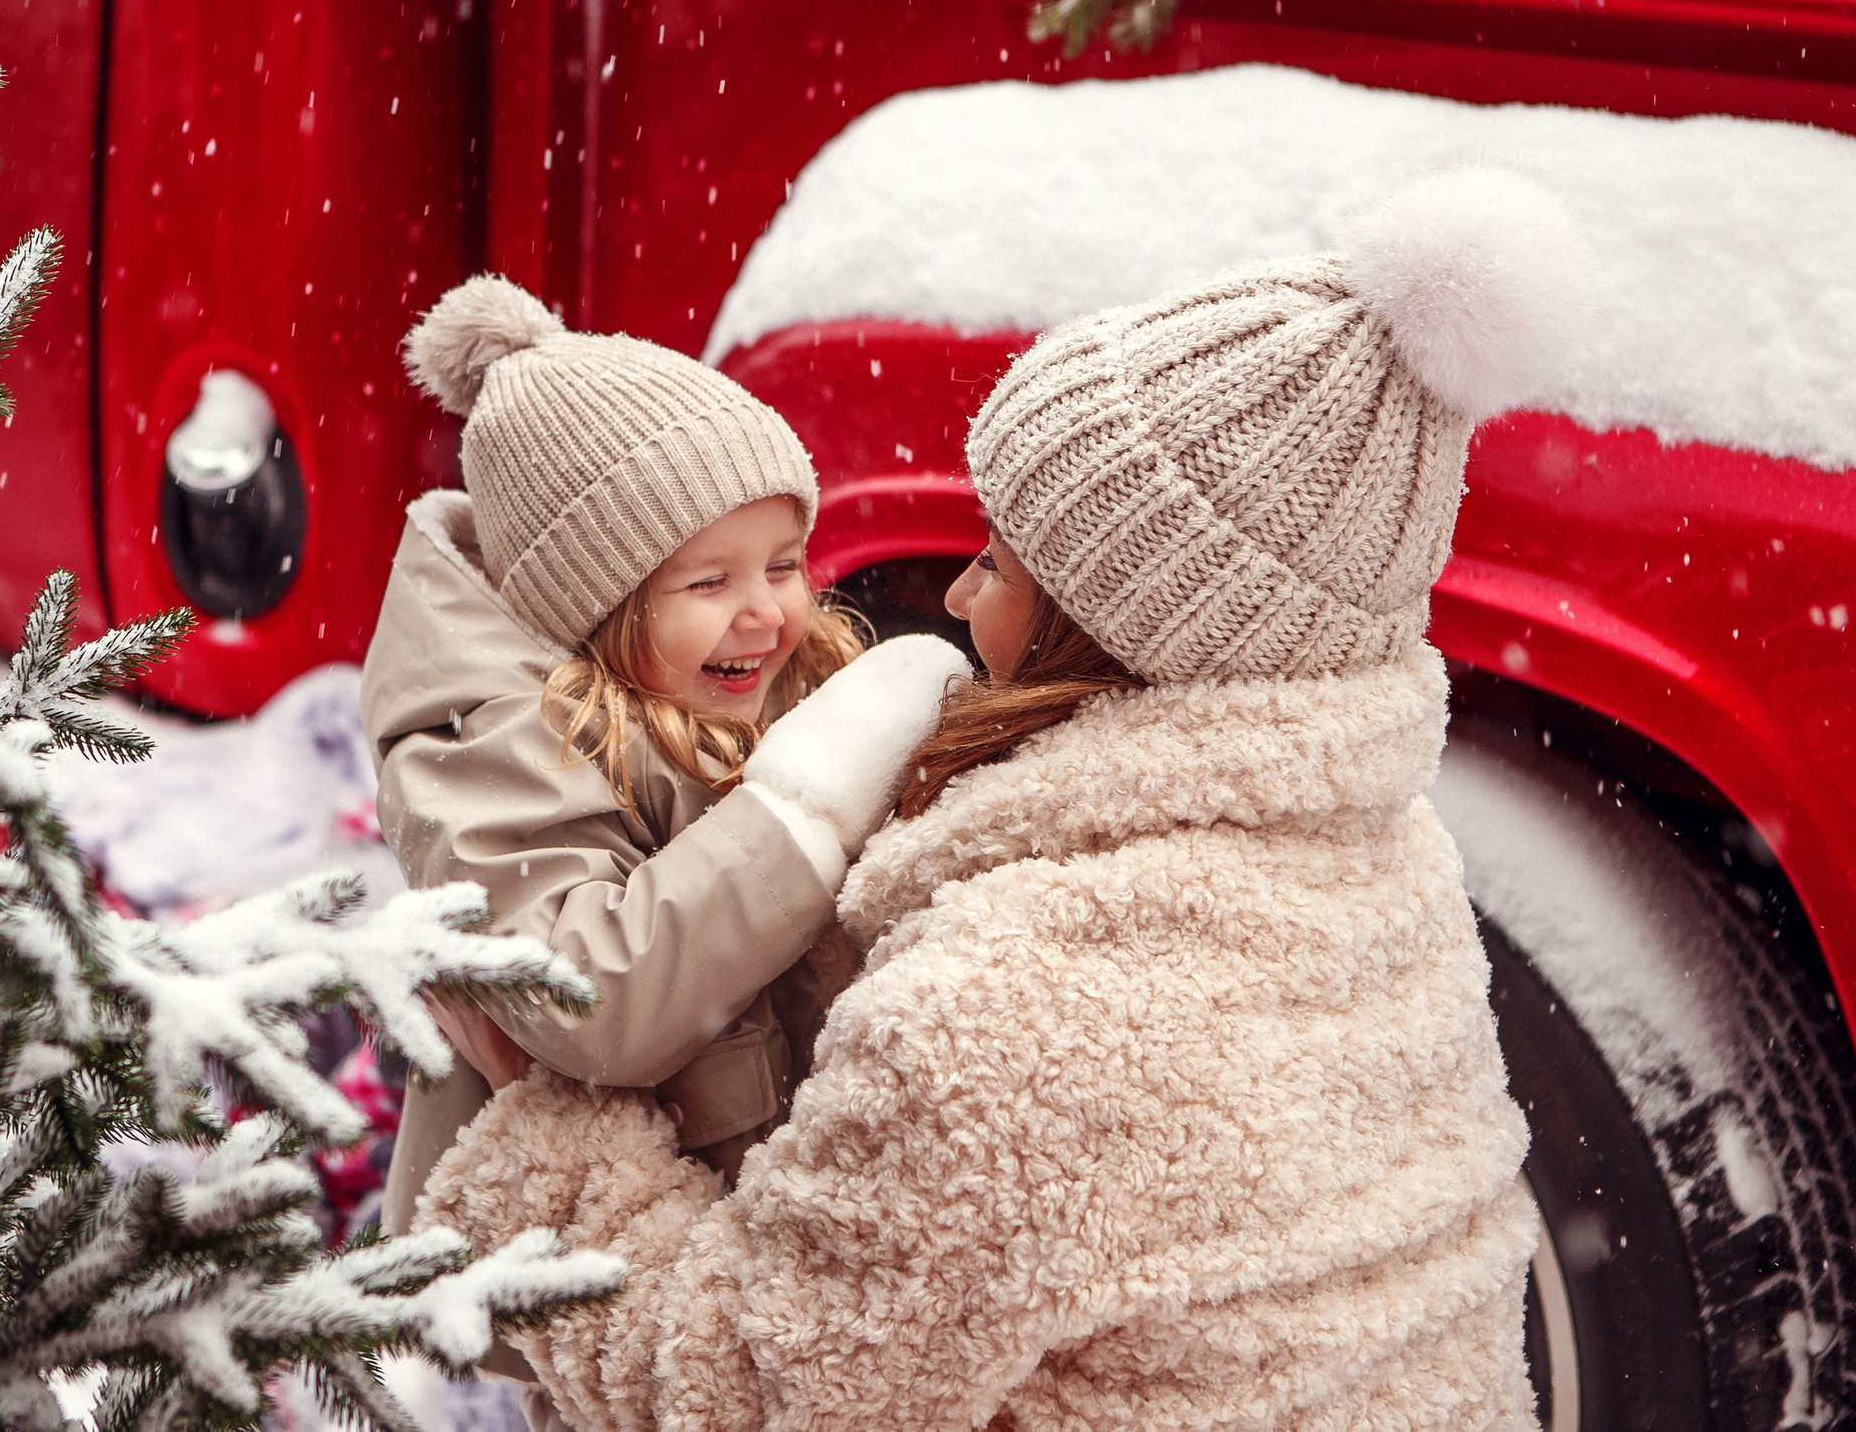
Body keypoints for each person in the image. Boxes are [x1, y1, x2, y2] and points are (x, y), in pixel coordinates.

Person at [418, 170, 1570, 1431]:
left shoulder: (1019, 1011)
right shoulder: (1389, 863)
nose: (959, 604)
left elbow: (746, 1394)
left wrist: (549, 1150)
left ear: (1121, 628)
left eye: (998, 564)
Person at [360, 276, 969, 1422]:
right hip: (602, 1251)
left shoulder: (737, 677)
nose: (767, 613)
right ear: (592, 604)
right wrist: (803, 812)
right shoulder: (487, 748)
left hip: (746, 1227)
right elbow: (594, 1000)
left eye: (784, 561)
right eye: (709, 581)